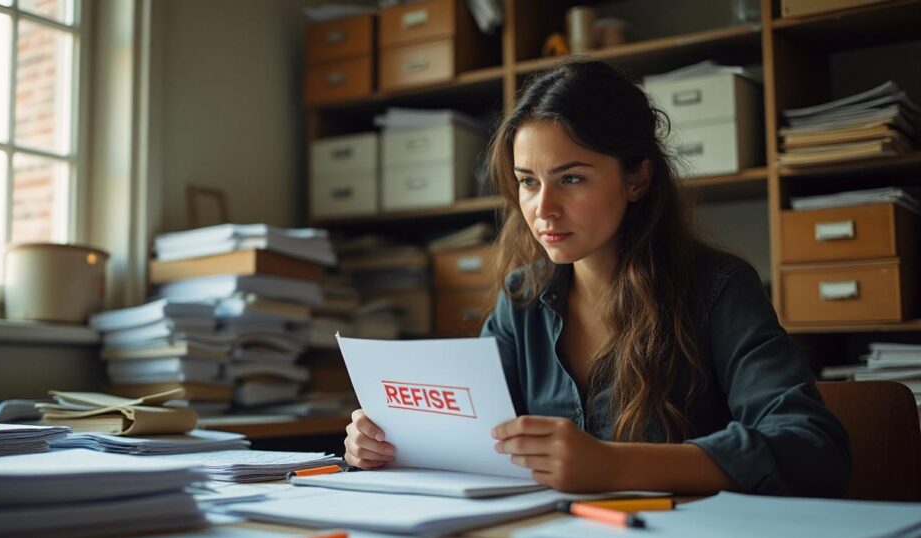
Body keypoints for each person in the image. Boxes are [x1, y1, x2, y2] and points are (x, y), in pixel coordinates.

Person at [343, 60, 851, 498]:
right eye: (528, 182)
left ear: (637, 179)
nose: (543, 209)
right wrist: (391, 444)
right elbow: (476, 443)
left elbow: (812, 448)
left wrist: (613, 464)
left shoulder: (718, 288)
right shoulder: (522, 300)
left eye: (572, 178)